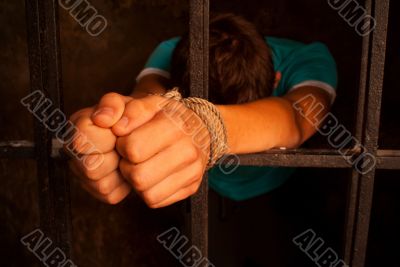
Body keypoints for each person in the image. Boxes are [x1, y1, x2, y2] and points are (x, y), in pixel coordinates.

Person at [68, 13, 337, 208]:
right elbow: (150, 98)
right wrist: (119, 126)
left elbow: (296, 116)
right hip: (201, 188)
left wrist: (204, 125)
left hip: (277, 185)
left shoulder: (308, 59)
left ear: (277, 80)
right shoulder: (171, 51)